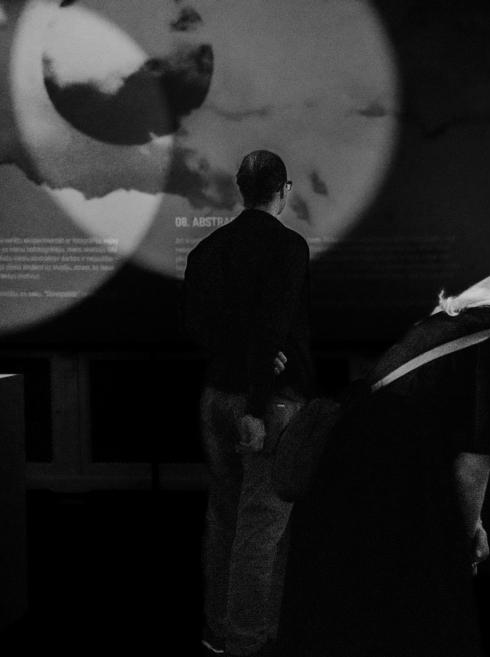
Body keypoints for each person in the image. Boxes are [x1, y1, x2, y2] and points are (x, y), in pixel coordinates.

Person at [275, 227, 490, 656]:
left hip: (348, 474)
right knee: (418, 618)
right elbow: (475, 456)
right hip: (386, 489)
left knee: (350, 614)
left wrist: (471, 525)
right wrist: (463, 538)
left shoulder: (470, 313)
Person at [181, 150, 313, 657]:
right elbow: (274, 323)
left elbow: (196, 329)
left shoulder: (207, 251)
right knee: (262, 528)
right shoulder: (288, 247)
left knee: (224, 520)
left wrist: (239, 356)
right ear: (285, 189)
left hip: (215, 397)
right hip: (267, 406)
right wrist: (258, 404)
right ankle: (246, 640)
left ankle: (220, 630)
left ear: (241, 189)